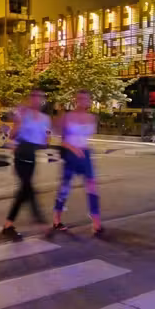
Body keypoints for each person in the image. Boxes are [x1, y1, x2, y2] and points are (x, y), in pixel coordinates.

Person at [50, 90, 103, 236]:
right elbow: (62, 140)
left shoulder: (92, 118)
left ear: (89, 101)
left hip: (85, 154)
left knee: (92, 187)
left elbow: (86, 138)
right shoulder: (68, 117)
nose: (82, 101)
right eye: (80, 98)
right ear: (75, 100)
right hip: (71, 154)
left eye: (85, 99)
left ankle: (97, 222)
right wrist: (73, 148)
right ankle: (56, 219)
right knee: (65, 187)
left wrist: (82, 151)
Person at [1, 89, 51, 241]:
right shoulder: (23, 114)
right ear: (30, 99)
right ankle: (40, 221)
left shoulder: (44, 118)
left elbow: (45, 143)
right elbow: (12, 135)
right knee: (27, 188)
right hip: (21, 153)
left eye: (39, 97)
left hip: (32, 155)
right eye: (34, 97)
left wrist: (46, 138)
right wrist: (19, 122)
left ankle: (8, 225)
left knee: (24, 190)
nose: (36, 100)